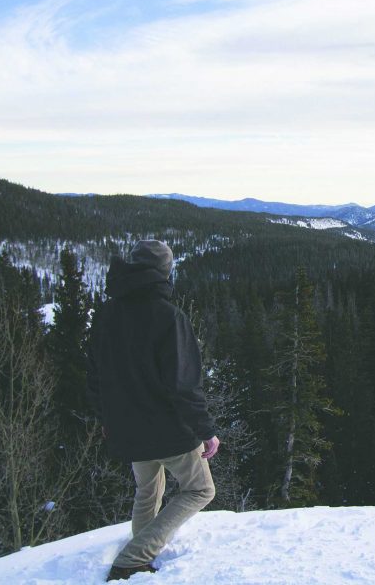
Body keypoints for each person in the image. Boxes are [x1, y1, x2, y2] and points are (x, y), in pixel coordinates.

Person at [87, 240, 219, 582]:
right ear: (165, 271)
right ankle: (135, 557)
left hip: (128, 428)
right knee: (201, 490)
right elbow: (183, 384)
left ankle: (140, 550)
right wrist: (205, 429)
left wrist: (106, 419)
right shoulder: (168, 317)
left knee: (148, 490)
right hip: (170, 430)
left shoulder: (107, 314)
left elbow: (95, 375)